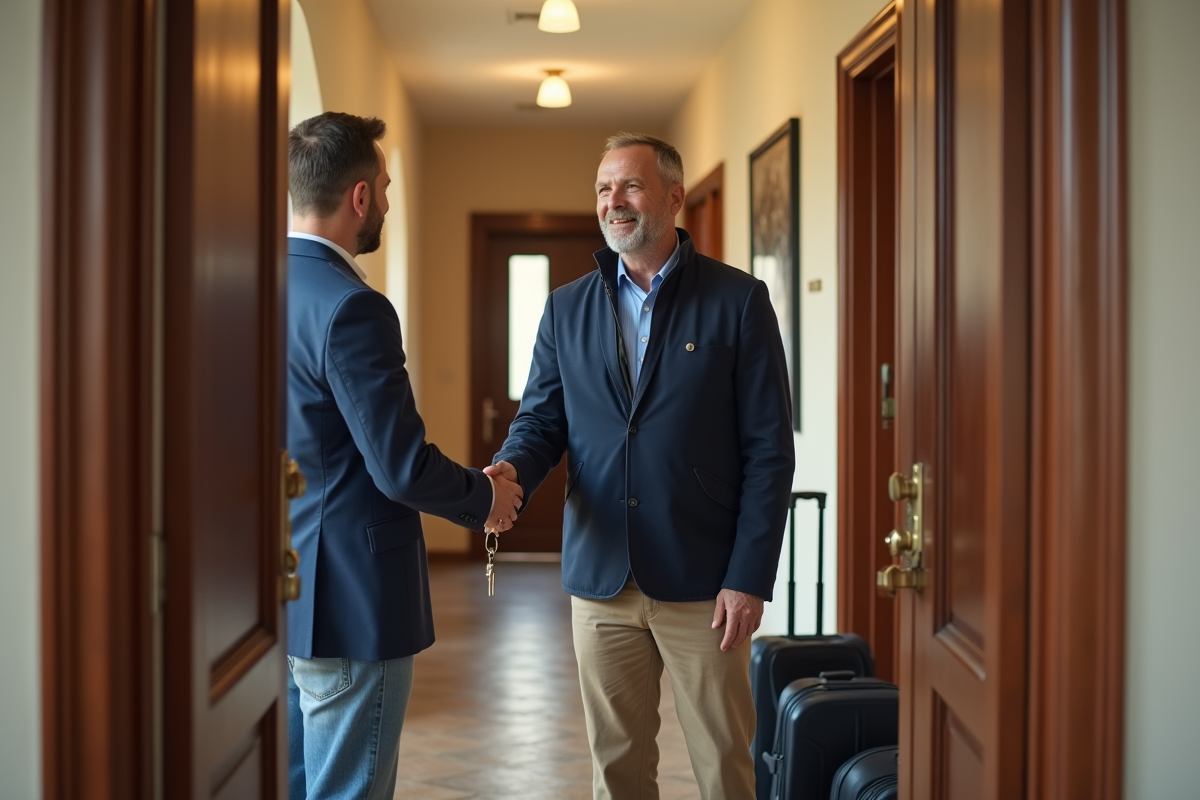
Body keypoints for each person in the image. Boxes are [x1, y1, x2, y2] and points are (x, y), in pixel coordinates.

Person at [485, 133, 795, 799]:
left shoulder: (738, 301)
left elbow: (769, 451)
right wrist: (510, 471)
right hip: (601, 580)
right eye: (603, 189)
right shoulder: (566, 308)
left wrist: (749, 577)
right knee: (617, 768)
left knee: (723, 766)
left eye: (629, 186)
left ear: (674, 198)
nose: (613, 202)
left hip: (705, 582)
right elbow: (541, 421)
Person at [285, 111, 523, 800]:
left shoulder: (245, 291)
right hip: (352, 602)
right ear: (359, 196)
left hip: (280, 589)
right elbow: (400, 464)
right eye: (385, 186)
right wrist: (487, 499)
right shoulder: (352, 307)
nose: (387, 200)